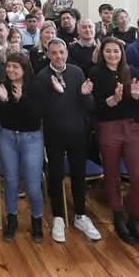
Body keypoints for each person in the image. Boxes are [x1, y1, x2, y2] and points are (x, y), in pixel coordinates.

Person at [37, 38, 102, 243]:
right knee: (56, 175)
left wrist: (85, 95)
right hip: (54, 134)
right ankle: (58, 217)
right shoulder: (42, 76)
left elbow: (89, 105)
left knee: (78, 175)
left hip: (78, 133)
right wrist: (55, 94)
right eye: (54, 53)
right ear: (48, 54)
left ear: (66, 53)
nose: (58, 56)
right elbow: (40, 110)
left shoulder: (76, 72)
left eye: (61, 52)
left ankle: (81, 215)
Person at [91, 37, 139, 247]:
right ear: (102, 53)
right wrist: (111, 101)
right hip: (108, 128)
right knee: (112, 175)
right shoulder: (95, 73)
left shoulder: (133, 72)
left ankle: (135, 219)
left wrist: (135, 97)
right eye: (108, 51)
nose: (112, 55)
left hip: (132, 128)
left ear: (121, 53)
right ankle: (117, 216)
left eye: (116, 51)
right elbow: (93, 107)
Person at [0, 53, 45, 243]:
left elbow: (36, 116)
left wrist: (21, 98)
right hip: (7, 137)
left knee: (32, 185)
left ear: (24, 69)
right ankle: (12, 219)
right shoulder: (3, 85)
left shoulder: (36, 86)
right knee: (11, 182)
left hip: (31, 138)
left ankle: (37, 220)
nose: (11, 70)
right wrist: (4, 100)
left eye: (15, 67)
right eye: (8, 66)